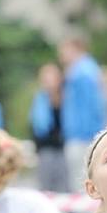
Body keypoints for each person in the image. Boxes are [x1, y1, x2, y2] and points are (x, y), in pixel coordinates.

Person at [57, 36, 106, 192]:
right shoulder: (85, 70)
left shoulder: (81, 73)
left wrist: (89, 134)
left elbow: (90, 107)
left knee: (81, 183)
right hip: (82, 134)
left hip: (82, 136)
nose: (61, 54)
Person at [30, 63, 69, 194]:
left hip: (65, 147)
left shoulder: (69, 97)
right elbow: (37, 126)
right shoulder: (40, 99)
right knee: (46, 186)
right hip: (46, 148)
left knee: (66, 185)